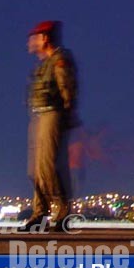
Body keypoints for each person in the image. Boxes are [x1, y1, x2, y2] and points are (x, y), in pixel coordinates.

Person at [19, 20, 79, 232]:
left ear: (44, 38)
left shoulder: (60, 60)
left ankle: (61, 213)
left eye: (34, 37)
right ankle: (39, 213)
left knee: (48, 167)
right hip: (39, 116)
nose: (30, 42)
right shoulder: (45, 63)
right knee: (35, 170)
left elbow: (67, 90)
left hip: (52, 116)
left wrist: (67, 115)